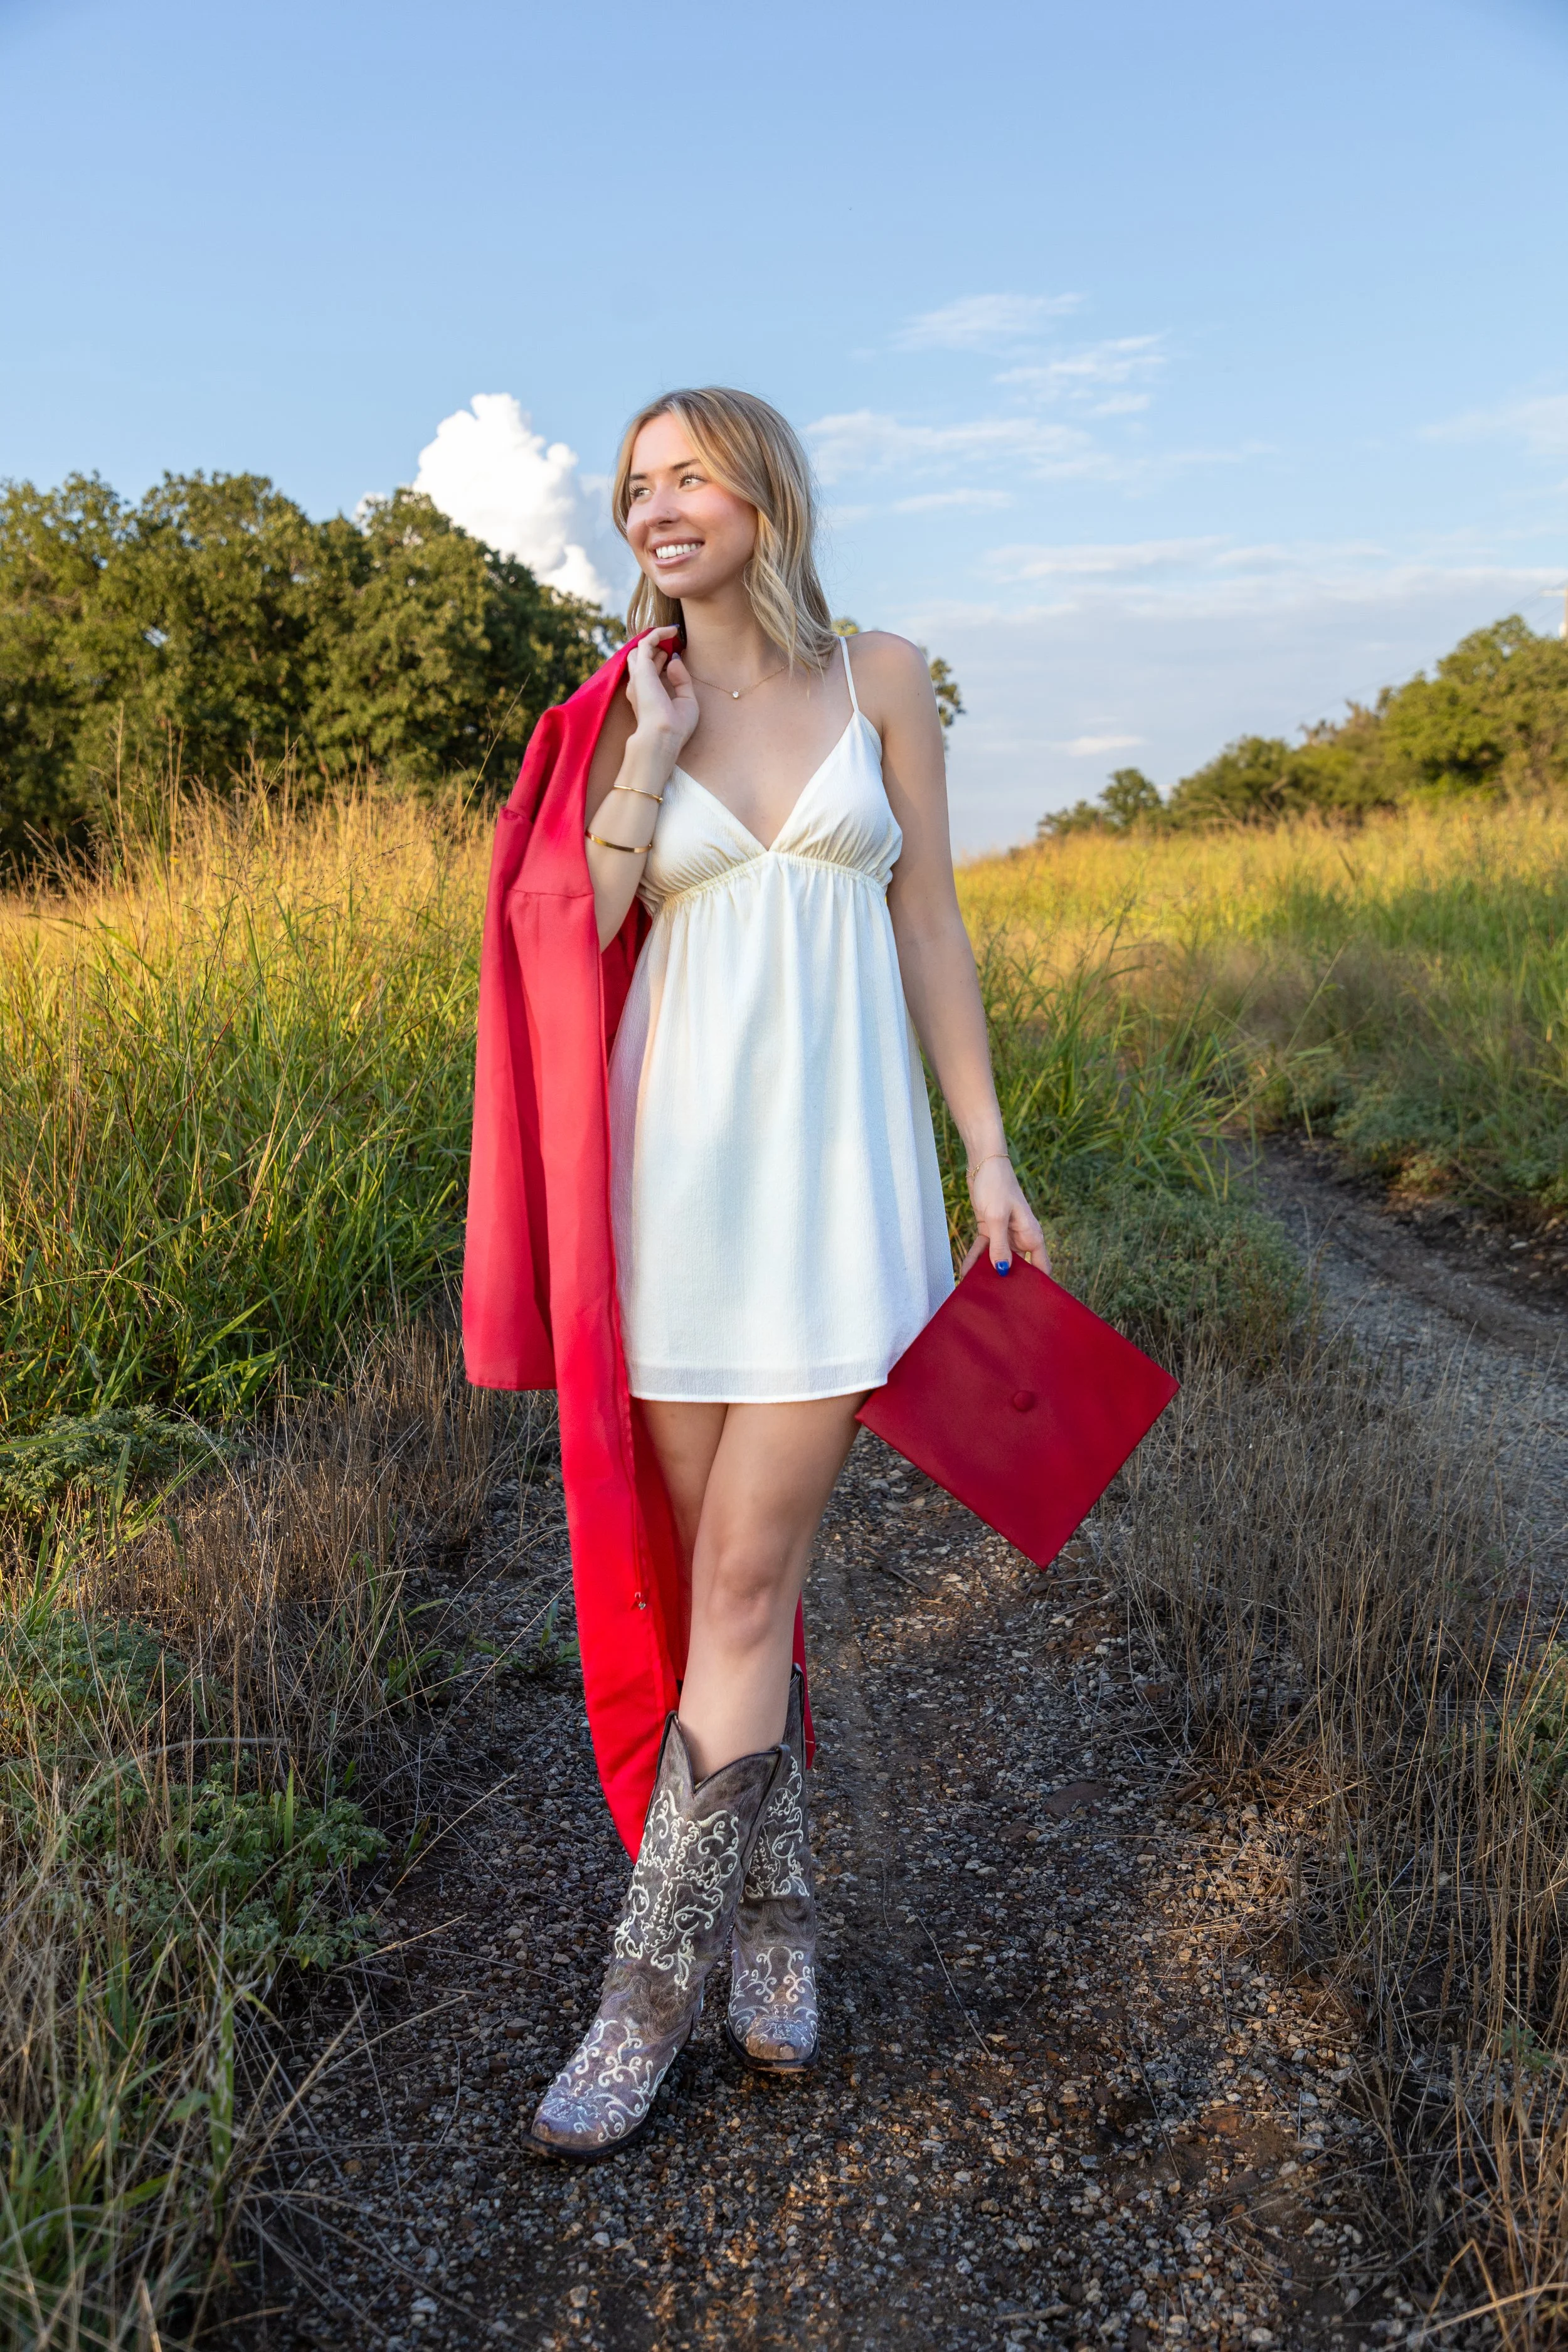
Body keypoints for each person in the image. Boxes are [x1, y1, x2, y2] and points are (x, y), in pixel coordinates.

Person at [524, 387, 1047, 2161]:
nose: (656, 504)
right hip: (670, 1200)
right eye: (634, 486)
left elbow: (928, 924)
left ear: (765, 491)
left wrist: (983, 1150)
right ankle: (775, 1919)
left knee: (748, 1586)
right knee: (706, 1606)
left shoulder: (882, 676)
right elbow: (568, 949)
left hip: (837, 1197)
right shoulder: (622, 711)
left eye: (688, 474)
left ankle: (637, 1992)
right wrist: (652, 760)